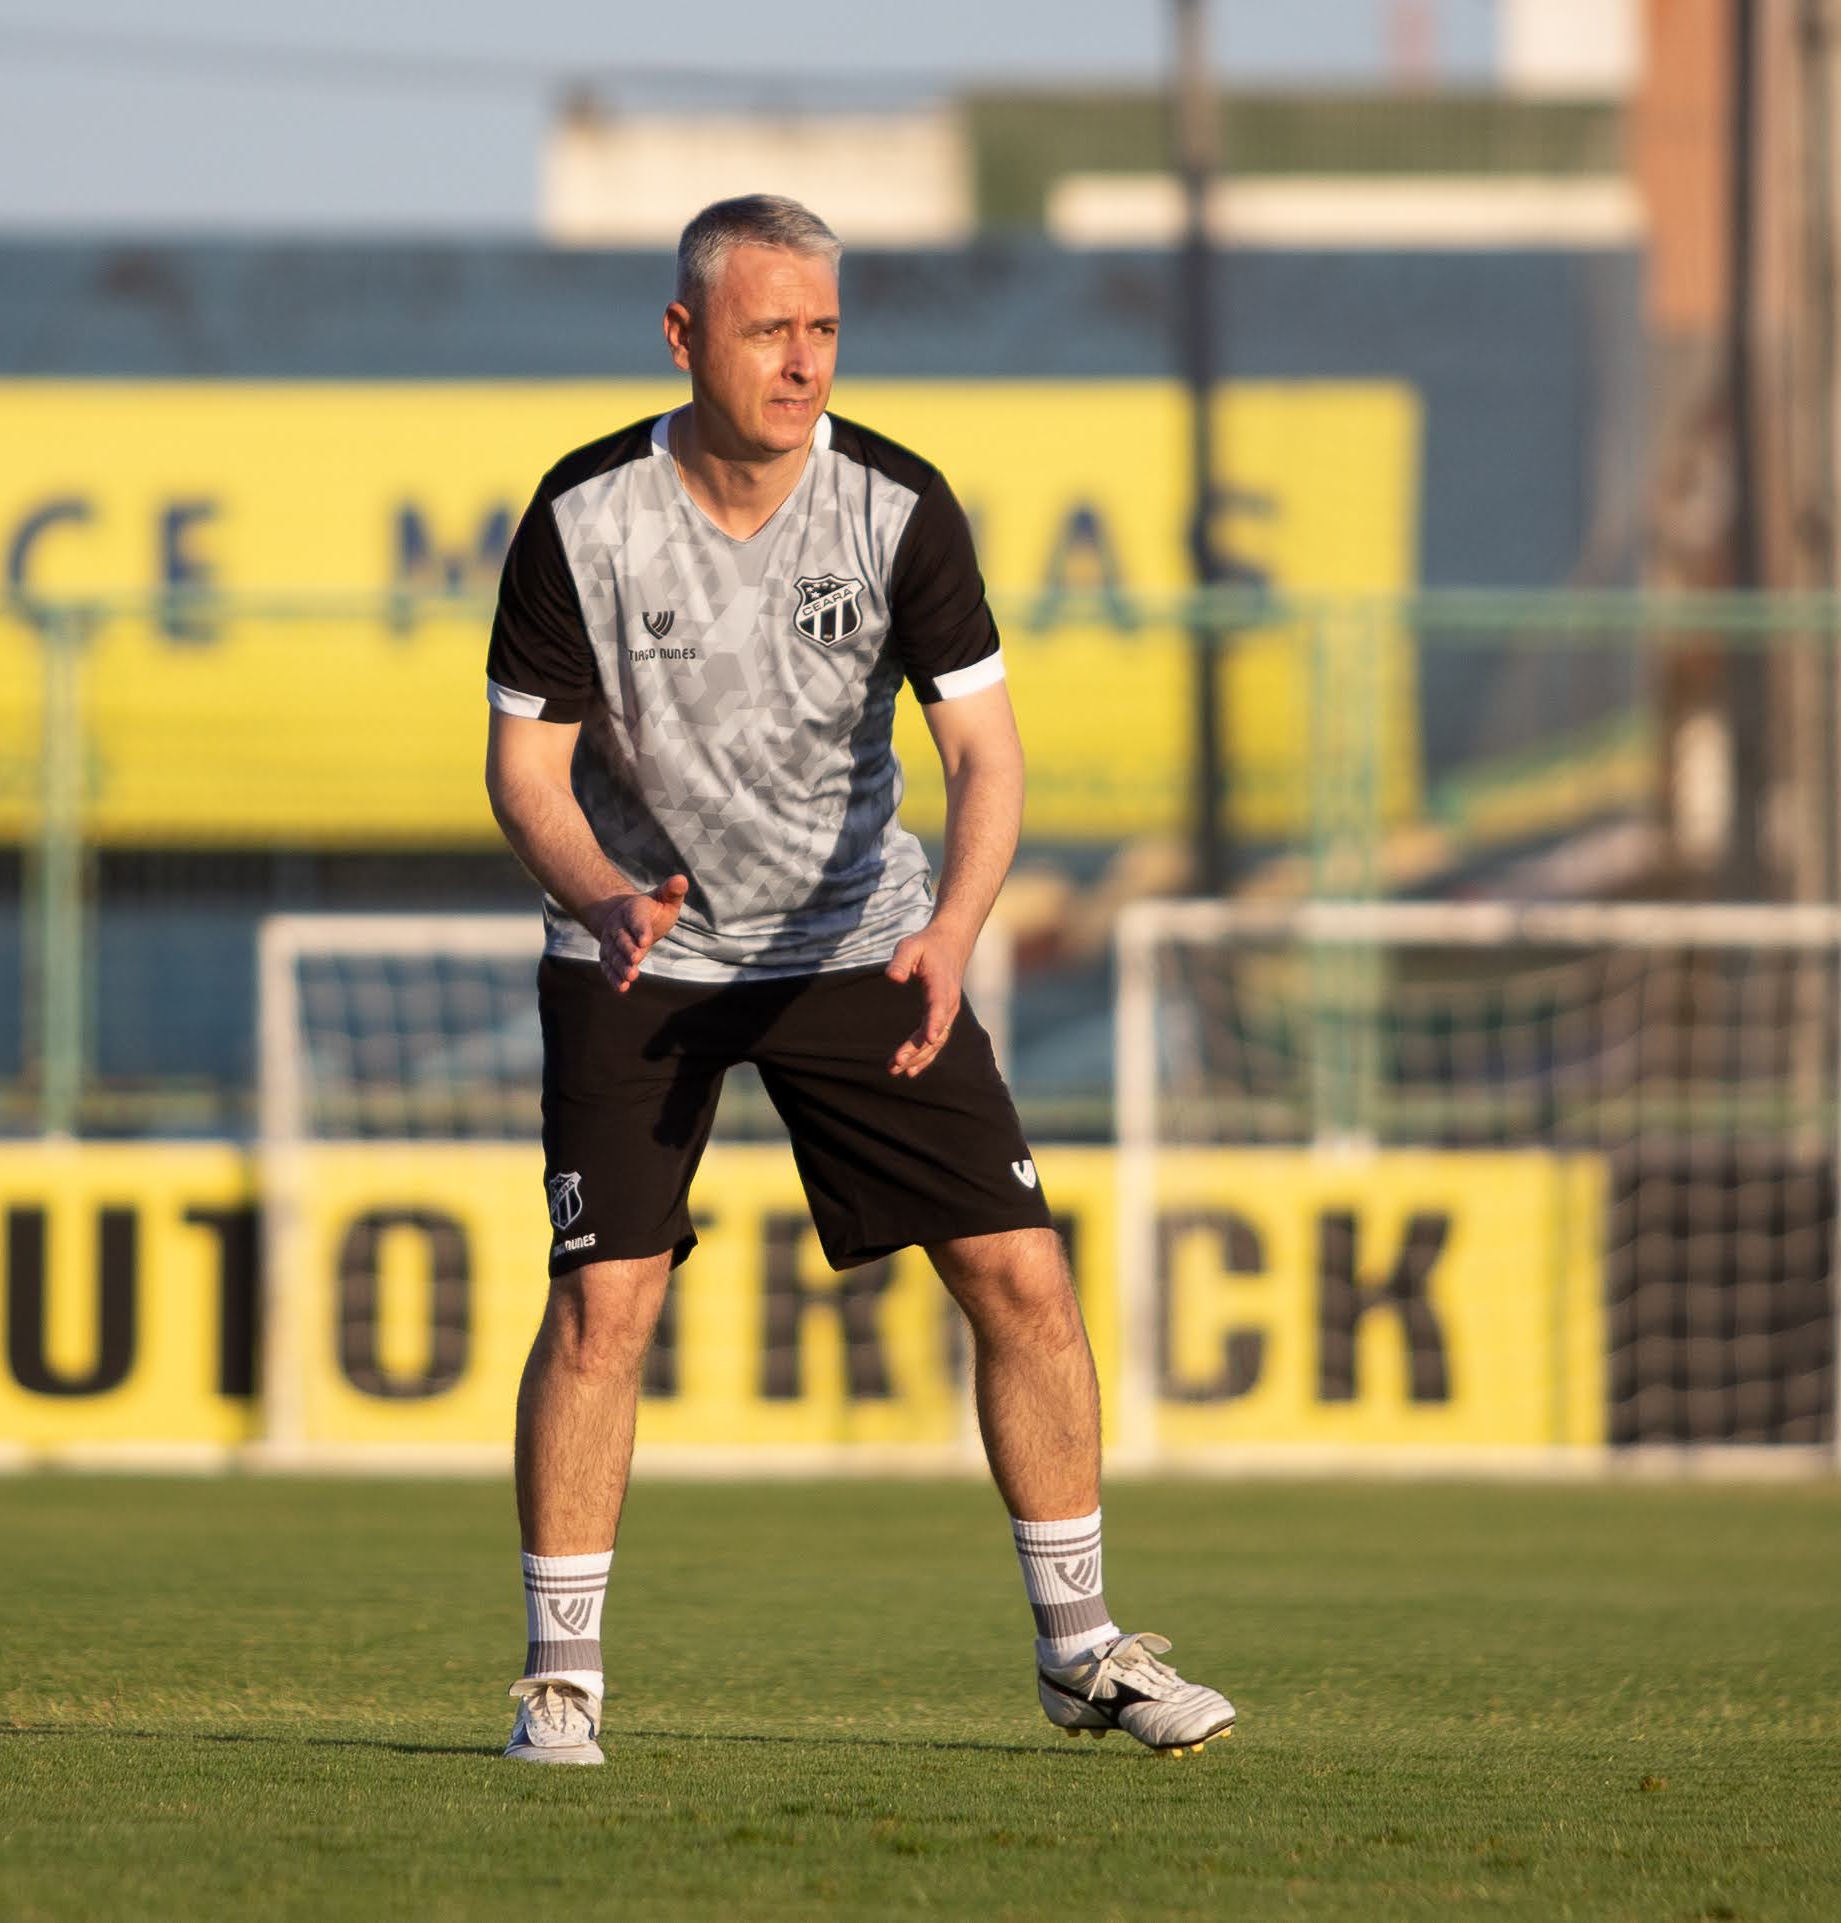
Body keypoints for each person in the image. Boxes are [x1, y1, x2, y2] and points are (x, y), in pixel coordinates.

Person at [481, 194, 1234, 1767]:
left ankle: (1082, 1649)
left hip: (853, 939)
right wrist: (603, 892)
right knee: (602, 1306)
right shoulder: (582, 516)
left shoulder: (897, 507)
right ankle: (561, 1680)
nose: (802, 360)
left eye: (823, 328)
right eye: (768, 329)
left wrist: (953, 932)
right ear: (684, 338)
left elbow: (986, 756)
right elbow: (522, 769)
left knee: (1021, 1276)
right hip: (641, 946)